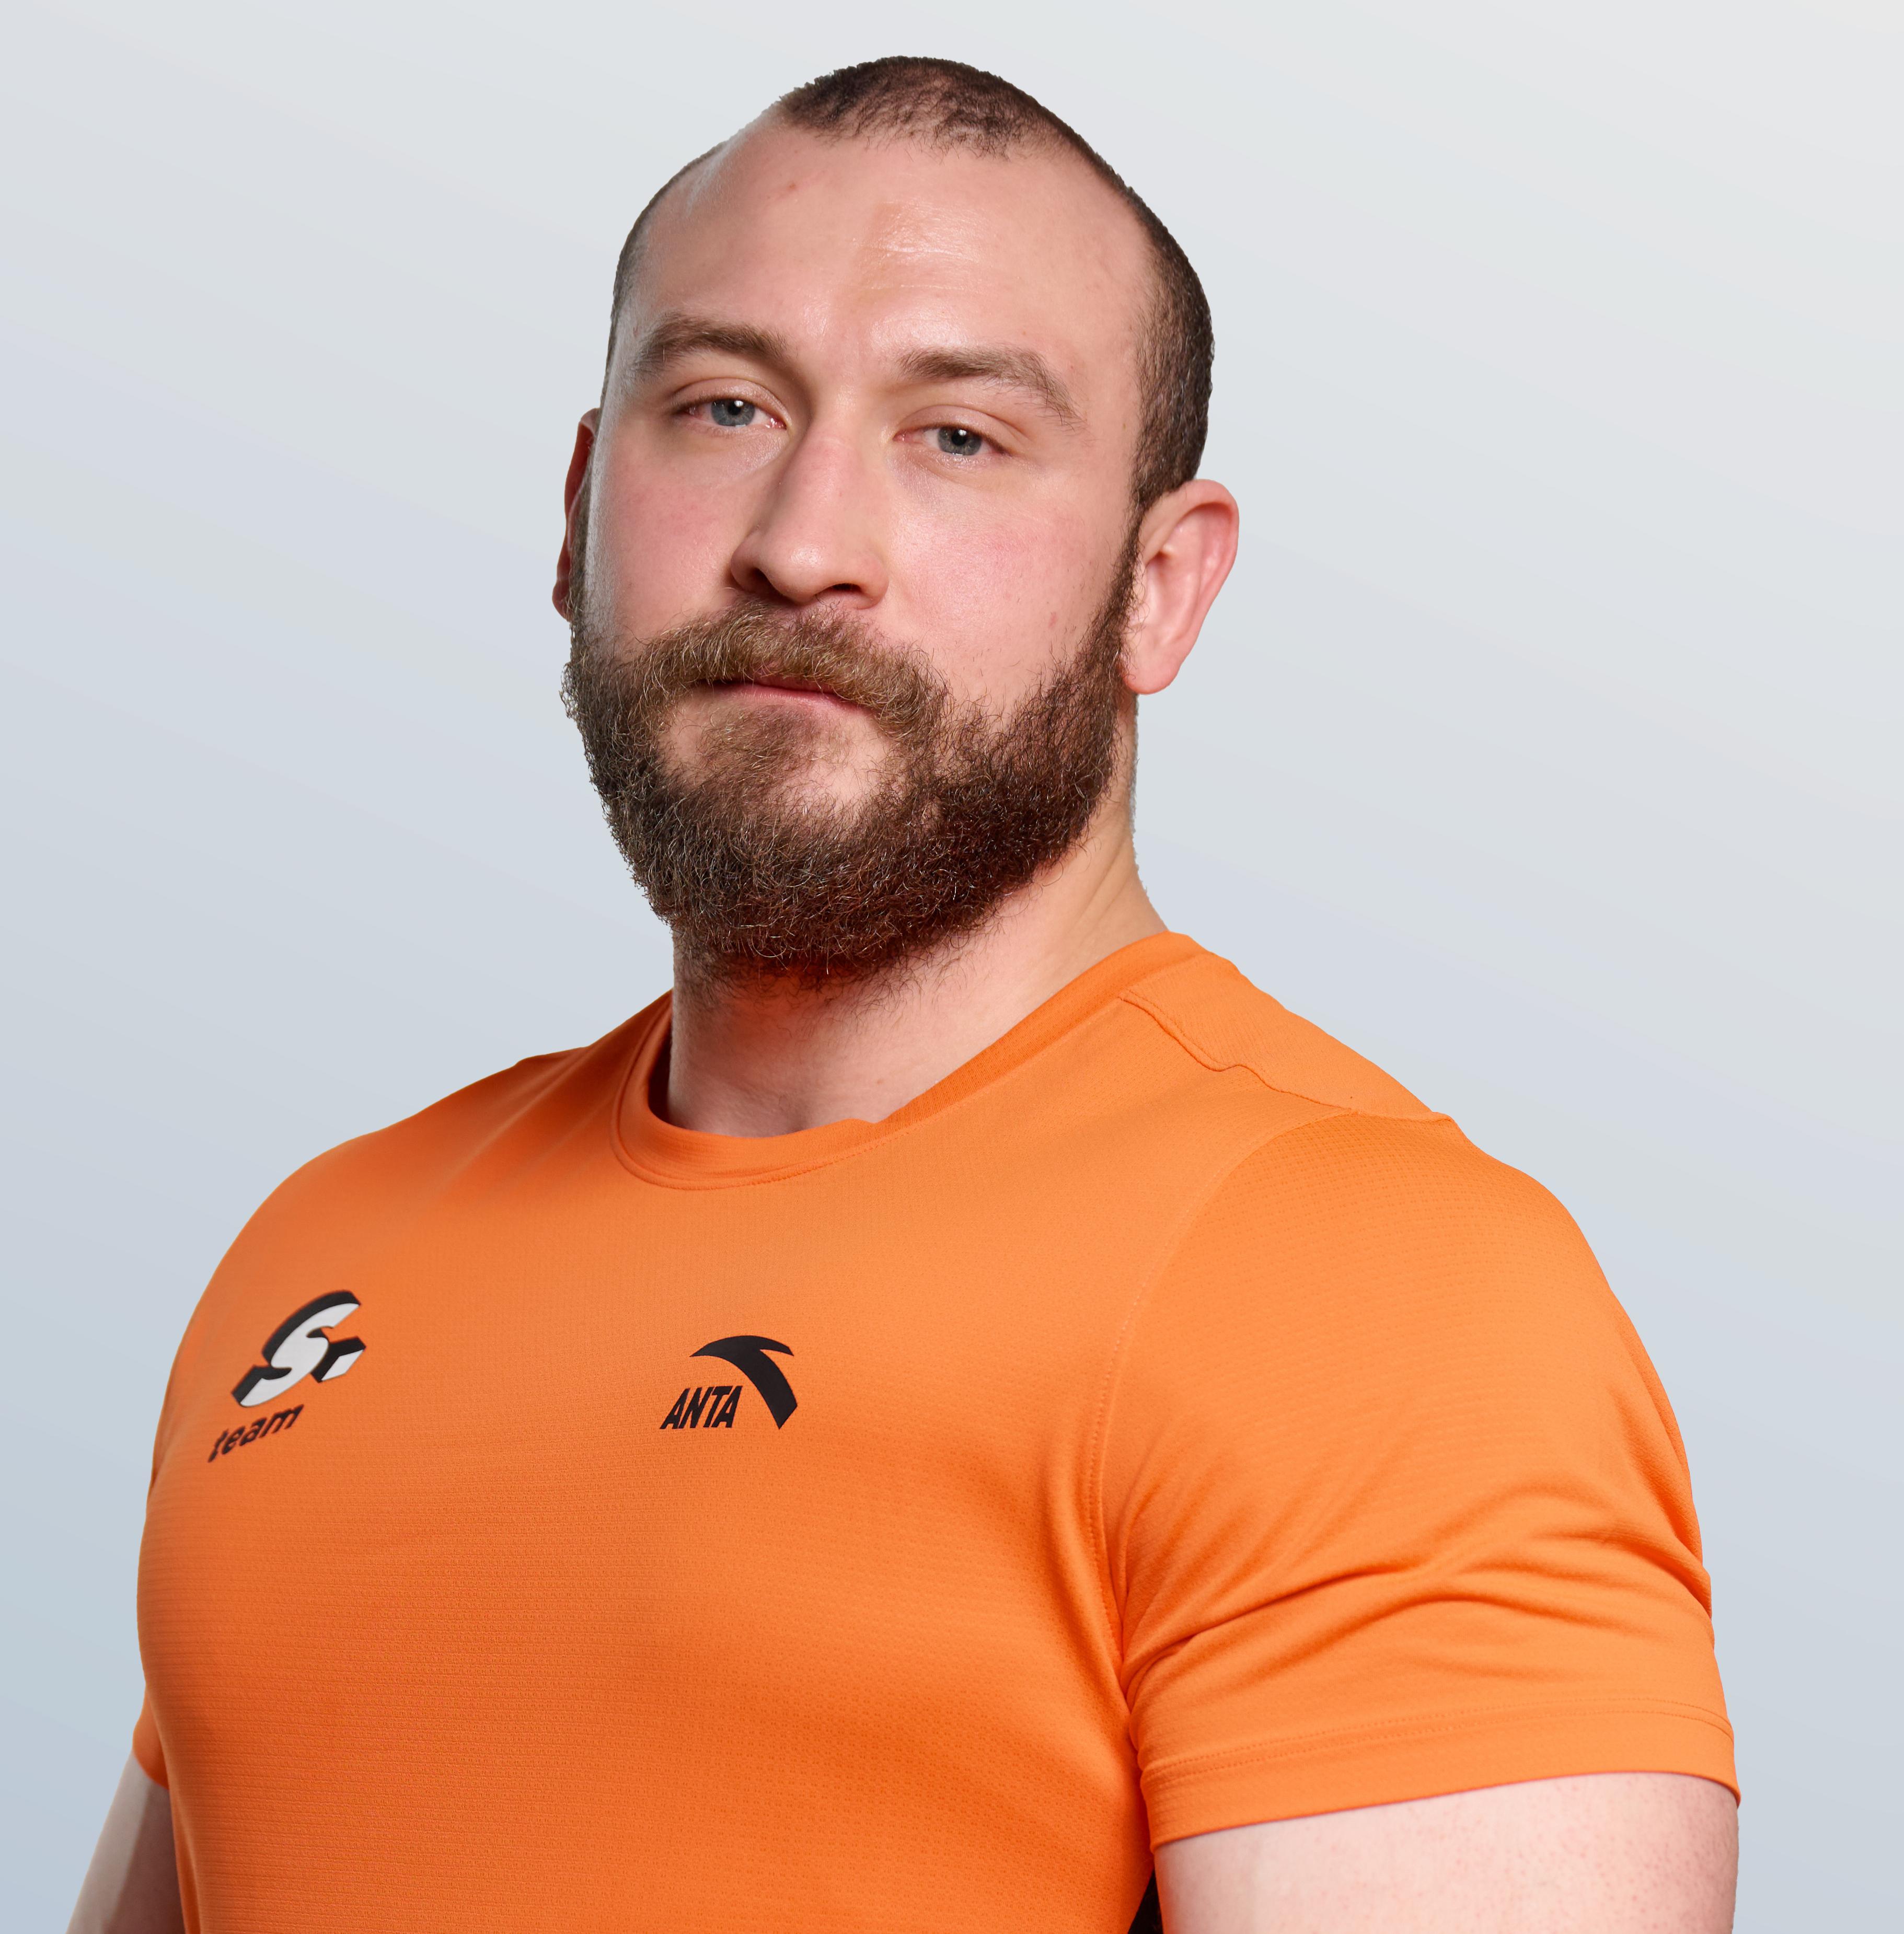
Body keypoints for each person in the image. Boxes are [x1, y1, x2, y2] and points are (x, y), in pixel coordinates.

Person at [70, 56, 1738, 1934]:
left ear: (1158, 588)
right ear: (580, 504)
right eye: (723, 406)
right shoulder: (328, 1247)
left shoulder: (1368, 1291)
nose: (803, 544)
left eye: (957, 437)